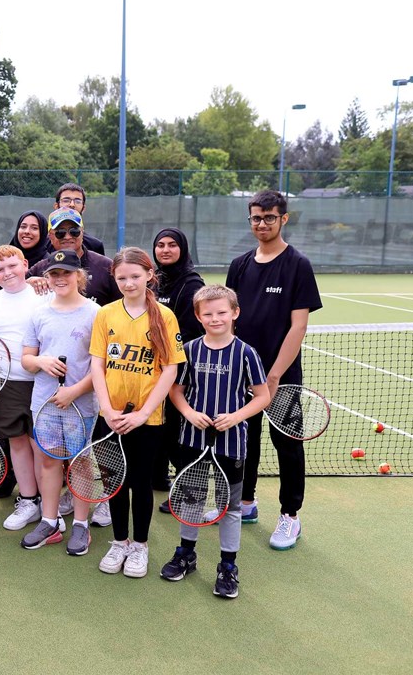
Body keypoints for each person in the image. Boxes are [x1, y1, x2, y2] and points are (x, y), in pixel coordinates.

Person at [226, 189, 322, 550]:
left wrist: (275, 375)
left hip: (282, 377)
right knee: (243, 441)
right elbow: (230, 319)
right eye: (255, 217)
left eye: (269, 217)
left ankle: (290, 517)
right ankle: (245, 503)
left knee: (287, 445)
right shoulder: (240, 265)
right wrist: (241, 369)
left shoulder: (298, 264)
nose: (261, 224)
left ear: (284, 218)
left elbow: (298, 327)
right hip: (244, 375)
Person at [160, 285, 269, 599]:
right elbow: (176, 391)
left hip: (231, 444)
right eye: (207, 313)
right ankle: (186, 554)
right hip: (191, 441)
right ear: (198, 316)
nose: (215, 318)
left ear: (235, 313)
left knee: (230, 507)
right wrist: (189, 412)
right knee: (191, 500)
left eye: (222, 312)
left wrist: (235, 417)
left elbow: (262, 396)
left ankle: (228, 566)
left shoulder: (247, 353)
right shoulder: (190, 350)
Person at [88, 247, 185, 578]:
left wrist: (144, 413)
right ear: (114, 280)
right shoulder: (106, 314)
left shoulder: (165, 316)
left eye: (135, 276)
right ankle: (119, 542)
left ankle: (140, 546)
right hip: (111, 417)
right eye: (121, 278)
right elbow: (97, 365)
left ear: (149, 276)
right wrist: (106, 408)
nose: (128, 283)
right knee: (114, 483)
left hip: (148, 421)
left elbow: (170, 370)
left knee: (141, 484)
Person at [19, 249, 99, 554]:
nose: (60, 278)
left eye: (66, 273)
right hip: (44, 404)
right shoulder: (39, 314)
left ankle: (81, 526)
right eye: (54, 273)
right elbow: (26, 360)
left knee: (79, 464)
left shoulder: (95, 313)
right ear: (47, 278)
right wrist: (42, 361)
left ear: (79, 275)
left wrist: (74, 391)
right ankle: (49, 522)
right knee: (50, 462)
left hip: (81, 405)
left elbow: (99, 368)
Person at [0, 245, 48, 532]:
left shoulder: (45, 294)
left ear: (26, 264)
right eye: (0, 270)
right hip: (6, 384)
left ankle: (48, 505)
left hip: (43, 383)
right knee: (17, 443)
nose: (8, 273)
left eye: (13, 266)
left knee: (41, 448)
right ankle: (29, 500)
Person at [151, 228, 206, 499]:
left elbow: (191, 333)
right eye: (160, 245)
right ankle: (159, 478)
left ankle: (189, 492)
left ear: (182, 249)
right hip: (153, 370)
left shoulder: (193, 285)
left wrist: (167, 362)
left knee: (177, 431)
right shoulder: (153, 281)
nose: (165, 250)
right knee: (158, 427)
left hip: (180, 372)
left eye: (172, 245)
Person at [29, 208, 119, 306]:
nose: (67, 237)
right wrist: (28, 283)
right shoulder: (40, 268)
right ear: (50, 236)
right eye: (60, 232)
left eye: (74, 231)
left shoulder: (106, 266)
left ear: (82, 232)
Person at [53, 182, 105, 255]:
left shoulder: (95, 245)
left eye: (77, 201)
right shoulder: (44, 244)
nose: (72, 205)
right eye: (66, 200)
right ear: (56, 206)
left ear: (83, 208)